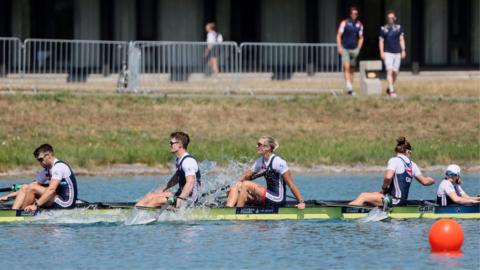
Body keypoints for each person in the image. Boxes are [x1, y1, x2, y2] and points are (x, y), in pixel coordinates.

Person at [349, 137, 435, 206]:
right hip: (400, 200)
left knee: (363, 196)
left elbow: (388, 177)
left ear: (396, 151)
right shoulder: (412, 164)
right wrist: (433, 180)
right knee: (375, 194)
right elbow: (425, 181)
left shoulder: (394, 160)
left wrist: (384, 188)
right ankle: (362, 208)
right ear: (408, 151)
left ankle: (347, 212)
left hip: (394, 201)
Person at [226, 136, 305, 209]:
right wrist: (236, 186)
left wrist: (301, 202)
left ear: (268, 147)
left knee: (246, 184)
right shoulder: (260, 161)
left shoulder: (278, 162)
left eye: (259, 144)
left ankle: (238, 212)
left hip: (277, 199)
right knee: (237, 185)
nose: (256, 146)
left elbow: (291, 184)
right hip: (268, 196)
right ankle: (228, 209)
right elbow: (247, 175)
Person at [0, 144, 78, 211]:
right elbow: (28, 188)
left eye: (41, 159)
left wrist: (36, 205)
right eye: (38, 160)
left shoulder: (59, 167)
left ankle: (20, 213)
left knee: (33, 188)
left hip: (66, 203)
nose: (40, 163)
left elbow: (51, 190)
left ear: (49, 156)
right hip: (55, 199)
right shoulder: (46, 171)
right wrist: (8, 197)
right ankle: (15, 212)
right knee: (25, 187)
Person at [136, 132, 201, 208]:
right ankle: (134, 210)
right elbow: (176, 177)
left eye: (171, 143)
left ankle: (144, 213)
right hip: (179, 196)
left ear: (179, 145)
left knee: (157, 200)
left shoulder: (188, 161)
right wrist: (163, 189)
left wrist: (181, 198)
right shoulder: (180, 160)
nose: (170, 145)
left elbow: (190, 182)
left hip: (188, 200)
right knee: (150, 196)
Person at [336, 6, 364, 96]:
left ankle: (350, 89)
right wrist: (339, 47)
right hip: (345, 49)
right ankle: (349, 86)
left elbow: (361, 38)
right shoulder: (345, 23)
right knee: (346, 67)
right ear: (350, 14)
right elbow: (339, 35)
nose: (354, 15)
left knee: (352, 69)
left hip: (354, 49)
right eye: (352, 13)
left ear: (357, 15)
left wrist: (358, 49)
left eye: (356, 13)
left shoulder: (359, 24)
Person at [379, 11, 406, 97]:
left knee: (396, 72)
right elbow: (381, 41)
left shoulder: (399, 28)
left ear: (395, 19)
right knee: (389, 71)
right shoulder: (383, 29)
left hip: (397, 52)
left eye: (392, 18)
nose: (390, 19)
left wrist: (403, 50)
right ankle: (391, 90)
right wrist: (381, 52)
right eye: (389, 18)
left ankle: (389, 88)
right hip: (388, 53)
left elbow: (401, 39)